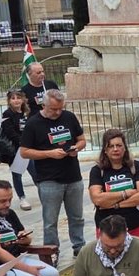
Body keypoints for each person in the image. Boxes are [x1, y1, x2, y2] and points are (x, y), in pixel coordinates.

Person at [19, 89, 87, 257]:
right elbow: (24, 152)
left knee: (77, 217)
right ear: (44, 105)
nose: (58, 112)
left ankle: (80, 247)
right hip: (48, 178)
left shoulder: (69, 117)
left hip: (72, 175)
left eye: (60, 108)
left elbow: (82, 139)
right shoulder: (33, 123)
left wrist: (76, 148)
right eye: (53, 109)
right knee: (50, 221)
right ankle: (51, 252)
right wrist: (49, 154)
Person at [88, 128, 139, 240]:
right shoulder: (97, 171)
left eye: (119, 145)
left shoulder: (136, 166)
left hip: (138, 225)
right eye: (111, 146)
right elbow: (97, 199)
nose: (115, 149)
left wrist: (114, 205)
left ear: (125, 148)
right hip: (108, 229)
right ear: (105, 150)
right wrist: (126, 193)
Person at [0, 89, 33, 210]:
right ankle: (22, 197)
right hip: (15, 148)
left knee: (34, 171)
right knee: (17, 174)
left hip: (28, 147)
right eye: (13, 98)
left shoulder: (26, 112)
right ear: (9, 101)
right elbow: (9, 131)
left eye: (18, 98)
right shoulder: (7, 114)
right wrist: (22, 142)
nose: (16, 100)